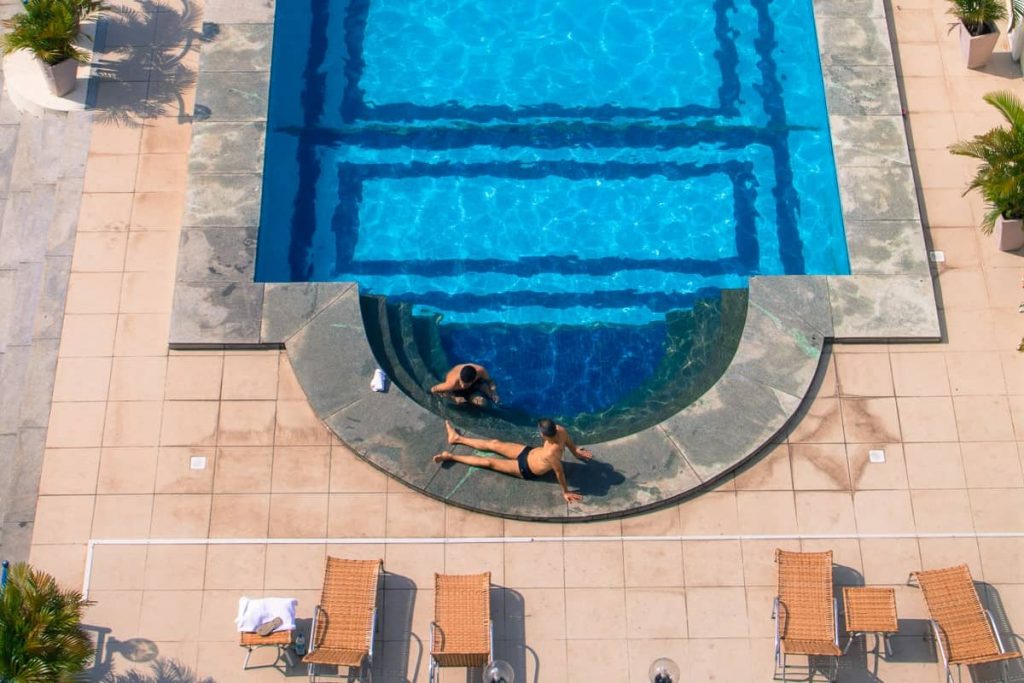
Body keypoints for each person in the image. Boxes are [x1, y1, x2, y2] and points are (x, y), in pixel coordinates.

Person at [432, 418, 593, 503]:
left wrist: (565, 491)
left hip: (526, 468)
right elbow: (569, 442)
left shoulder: (552, 452)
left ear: (544, 435)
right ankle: (457, 438)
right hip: (529, 453)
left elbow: (559, 472)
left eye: (540, 432)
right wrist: (576, 453)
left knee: (489, 462)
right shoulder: (559, 430)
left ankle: (451, 456)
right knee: (494, 443)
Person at [430, 363, 499, 407]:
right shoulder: (451, 383)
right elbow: (434, 389)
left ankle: (485, 395)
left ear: (474, 379)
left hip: (475, 383)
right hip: (456, 391)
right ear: (460, 377)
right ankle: (471, 399)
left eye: (465, 385)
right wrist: (452, 398)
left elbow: (490, 381)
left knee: (488, 391)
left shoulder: (480, 371)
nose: (462, 386)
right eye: (461, 383)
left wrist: (494, 392)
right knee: (482, 402)